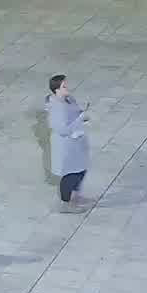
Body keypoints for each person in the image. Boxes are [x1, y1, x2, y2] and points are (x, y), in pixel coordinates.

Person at [45, 74, 91, 212]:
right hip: (66, 145)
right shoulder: (56, 109)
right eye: (64, 86)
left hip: (76, 142)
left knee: (81, 169)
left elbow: (76, 112)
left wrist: (82, 114)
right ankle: (65, 203)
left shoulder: (69, 99)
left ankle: (75, 196)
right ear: (56, 90)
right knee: (71, 173)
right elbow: (63, 130)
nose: (67, 88)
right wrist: (80, 119)